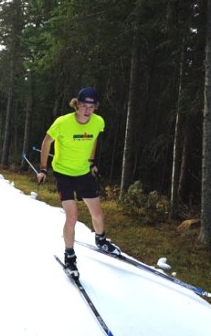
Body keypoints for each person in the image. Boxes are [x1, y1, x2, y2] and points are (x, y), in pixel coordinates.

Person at [37, 87, 120, 279]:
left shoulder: (98, 122)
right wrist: (43, 169)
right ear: (77, 105)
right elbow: (46, 142)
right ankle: (70, 256)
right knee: (72, 217)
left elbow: (94, 139)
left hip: (83, 172)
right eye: (83, 105)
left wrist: (91, 162)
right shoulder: (62, 123)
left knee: (97, 214)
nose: (87, 110)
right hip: (63, 174)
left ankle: (101, 240)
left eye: (91, 106)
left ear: (95, 107)